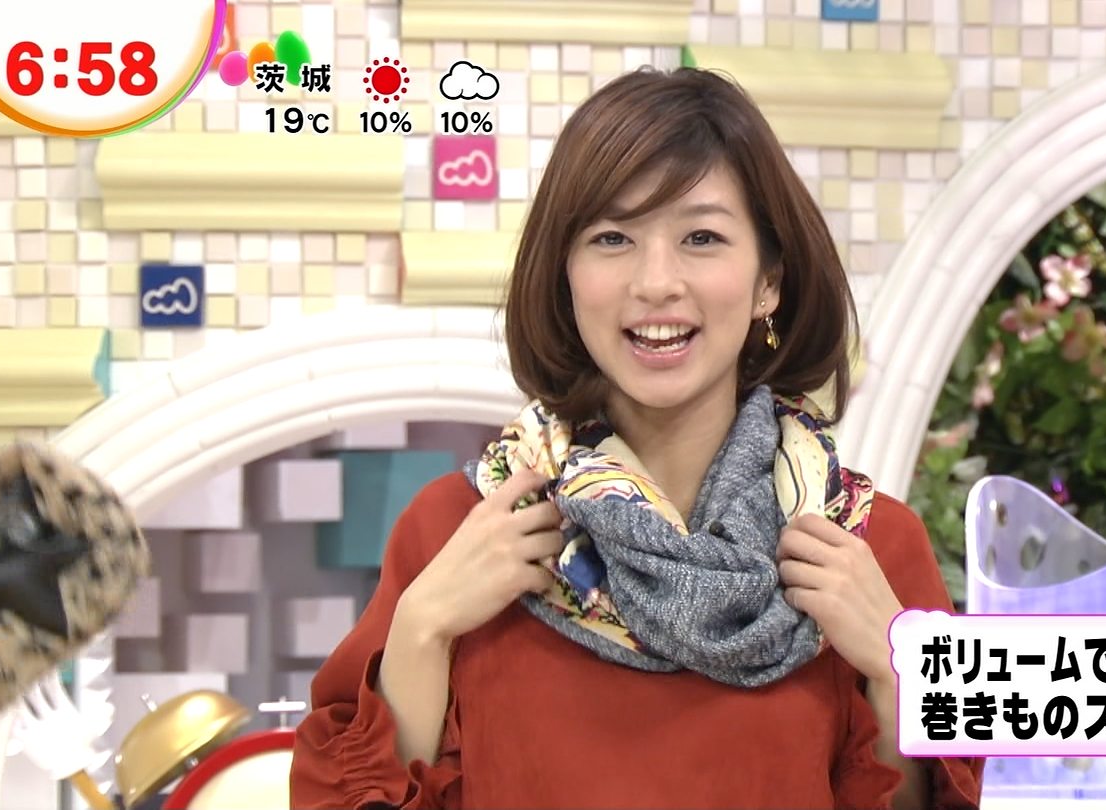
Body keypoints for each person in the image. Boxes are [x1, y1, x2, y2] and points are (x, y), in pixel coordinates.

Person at [290, 66, 983, 810]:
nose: (656, 282)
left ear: (769, 283)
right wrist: (421, 631)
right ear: (565, 277)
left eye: (702, 237)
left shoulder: (870, 548)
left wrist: (898, 674)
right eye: (612, 237)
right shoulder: (457, 532)